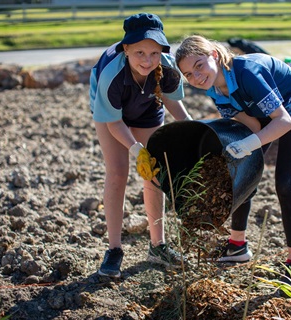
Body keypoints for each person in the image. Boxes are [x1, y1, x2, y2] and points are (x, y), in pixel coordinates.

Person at [175, 35, 291, 278]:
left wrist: (249, 143)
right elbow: (254, 126)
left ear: (214, 55)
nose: (196, 77)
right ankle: (238, 245)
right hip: (259, 109)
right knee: (243, 172)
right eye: (188, 74)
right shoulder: (215, 90)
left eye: (199, 65)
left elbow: (283, 122)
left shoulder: (248, 72)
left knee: (284, 182)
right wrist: (240, 149)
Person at [90, 13, 192, 278]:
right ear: (126, 49)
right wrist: (136, 149)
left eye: (154, 53)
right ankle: (114, 249)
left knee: (154, 172)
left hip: (147, 107)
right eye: (139, 53)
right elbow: (114, 123)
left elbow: (172, 103)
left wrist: (192, 129)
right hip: (112, 114)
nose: (147, 60)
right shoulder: (111, 75)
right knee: (117, 172)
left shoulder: (166, 69)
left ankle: (158, 245)